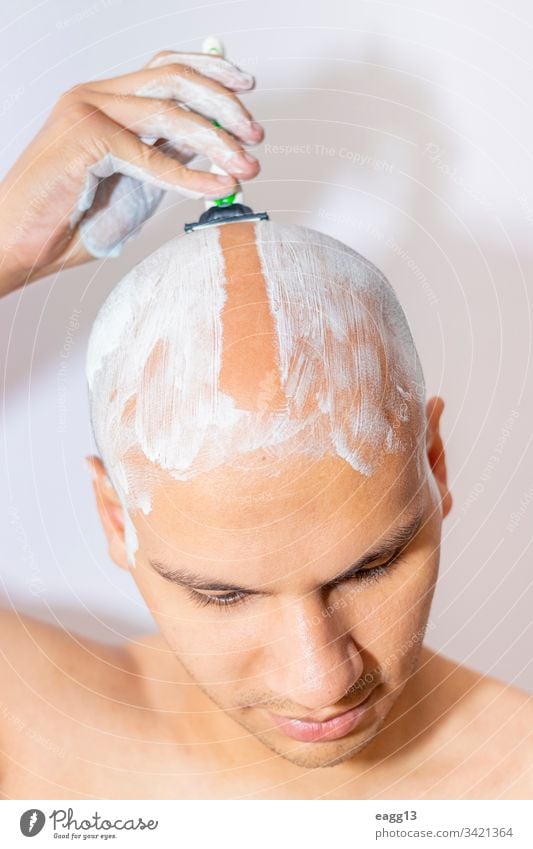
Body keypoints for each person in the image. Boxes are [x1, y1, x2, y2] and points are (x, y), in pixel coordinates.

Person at [0, 51, 531, 802]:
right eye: (224, 595)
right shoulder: (35, 735)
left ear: (436, 465)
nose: (322, 680)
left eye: (370, 568)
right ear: (116, 521)